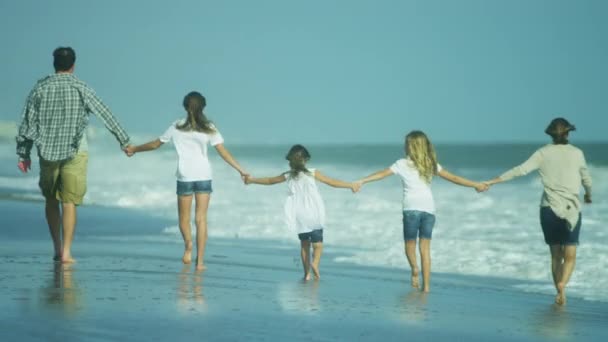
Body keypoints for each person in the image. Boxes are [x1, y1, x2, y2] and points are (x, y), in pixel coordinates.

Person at [16, 47, 132, 263]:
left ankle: (57, 248)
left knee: (51, 199)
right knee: (69, 201)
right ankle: (67, 252)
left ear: (54, 64)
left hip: (47, 152)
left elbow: (27, 124)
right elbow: (105, 114)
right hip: (76, 151)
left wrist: (24, 154)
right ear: (73, 65)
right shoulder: (81, 87)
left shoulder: (39, 88)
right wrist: (124, 141)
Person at [125, 91, 248, 271]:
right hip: (204, 175)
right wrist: (241, 170)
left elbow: (156, 144)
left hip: (185, 175)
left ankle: (188, 245)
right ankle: (200, 262)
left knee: (184, 218)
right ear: (203, 107)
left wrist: (134, 148)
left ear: (184, 106)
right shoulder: (209, 127)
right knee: (201, 219)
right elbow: (223, 152)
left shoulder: (177, 125)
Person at [355, 131, 487, 292]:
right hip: (429, 210)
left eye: (406, 144)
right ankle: (427, 287)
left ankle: (414, 269)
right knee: (425, 249)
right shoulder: (430, 164)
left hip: (411, 209)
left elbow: (382, 174)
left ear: (410, 147)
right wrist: (475, 184)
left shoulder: (402, 164)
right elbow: (454, 178)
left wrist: (363, 180)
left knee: (409, 245)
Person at [484, 118, 592, 305]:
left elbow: (521, 170)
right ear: (568, 133)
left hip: (548, 208)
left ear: (551, 135)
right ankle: (562, 286)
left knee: (556, 255)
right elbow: (586, 179)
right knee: (570, 254)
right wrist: (588, 194)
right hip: (571, 209)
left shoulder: (543, 153)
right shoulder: (577, 153)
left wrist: (493, 181)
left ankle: (558, 290)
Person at [244, 144, 359, 280]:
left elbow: (270, 181)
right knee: (318, 244)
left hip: (298, 213)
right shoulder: (312, 172)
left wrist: (251, 180)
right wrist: (351, 185)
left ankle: (307, 275)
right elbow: (332, 182)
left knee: (304, 244)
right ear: (305, 160)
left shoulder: (287, 176)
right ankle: (315, 263)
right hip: (314, 212)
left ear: (290, 161)